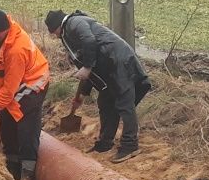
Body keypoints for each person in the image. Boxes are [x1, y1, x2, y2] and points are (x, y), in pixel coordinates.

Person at [45, 9, 151, 163]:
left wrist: (87, 67)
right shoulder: (68, 35)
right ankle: (105, 142)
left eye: (53, 32)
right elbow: (89, 68)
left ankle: (130, 145)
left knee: (124, 103)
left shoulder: (75, 23)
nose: (54, 35)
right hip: (109, 66)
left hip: (119, 62)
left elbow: (89, 42)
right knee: (105, 102)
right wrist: (82, 94)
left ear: (57, 26)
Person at [0, 10, 50, 180]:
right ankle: (12, 166)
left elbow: (9, 91)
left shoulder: (17, 49)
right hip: (15, 82)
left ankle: (27, 174)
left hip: (33, 85)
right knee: (8, 123)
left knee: (26, 127)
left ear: (6, 29)